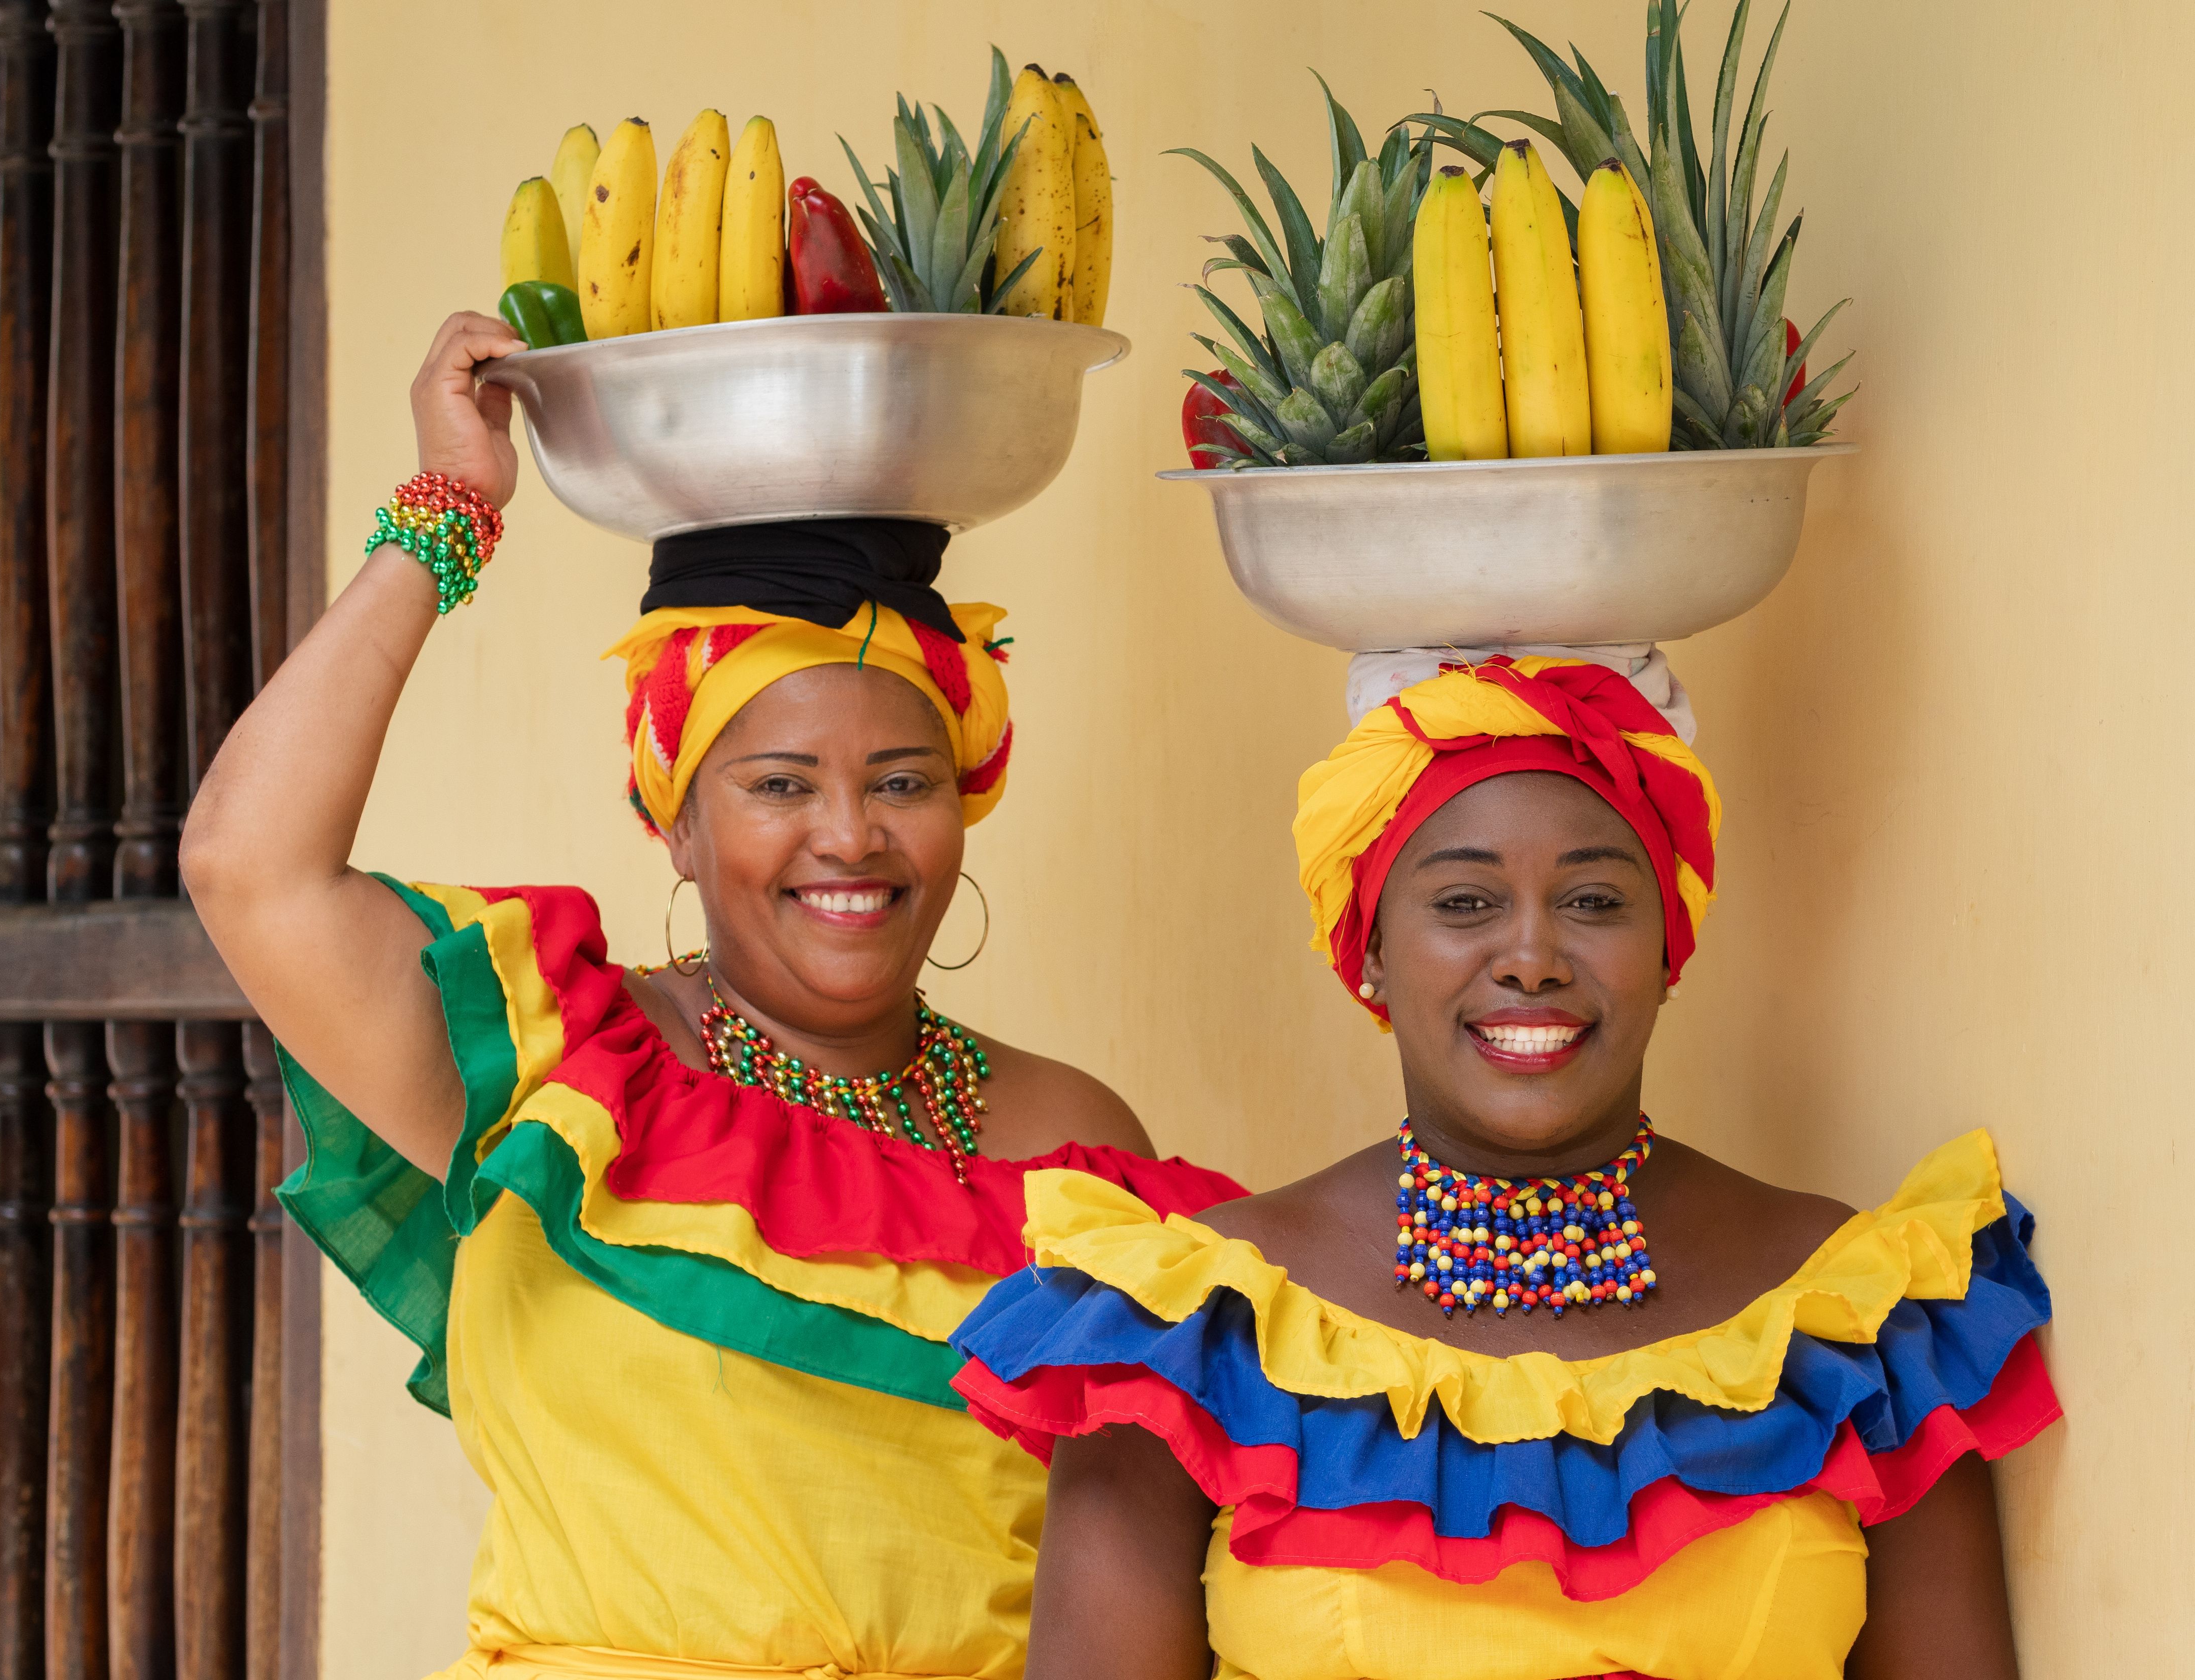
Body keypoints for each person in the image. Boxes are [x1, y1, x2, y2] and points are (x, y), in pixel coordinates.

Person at [181, 312, 1243, 1680]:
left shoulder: (1073, 1136)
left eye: (904, 783)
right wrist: (449, 510)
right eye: (778, 785)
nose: (850, 836)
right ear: (674, 822)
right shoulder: (550, 1073)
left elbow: (1149, 1567)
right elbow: (245, 866)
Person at [950, 652, 2060, 1680]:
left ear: (1667, 947)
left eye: (1592, 900)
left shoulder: (1864, 1316)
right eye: (1465, 901)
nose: (1530, 956)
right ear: (1372, 949)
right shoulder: (1190, 1324)